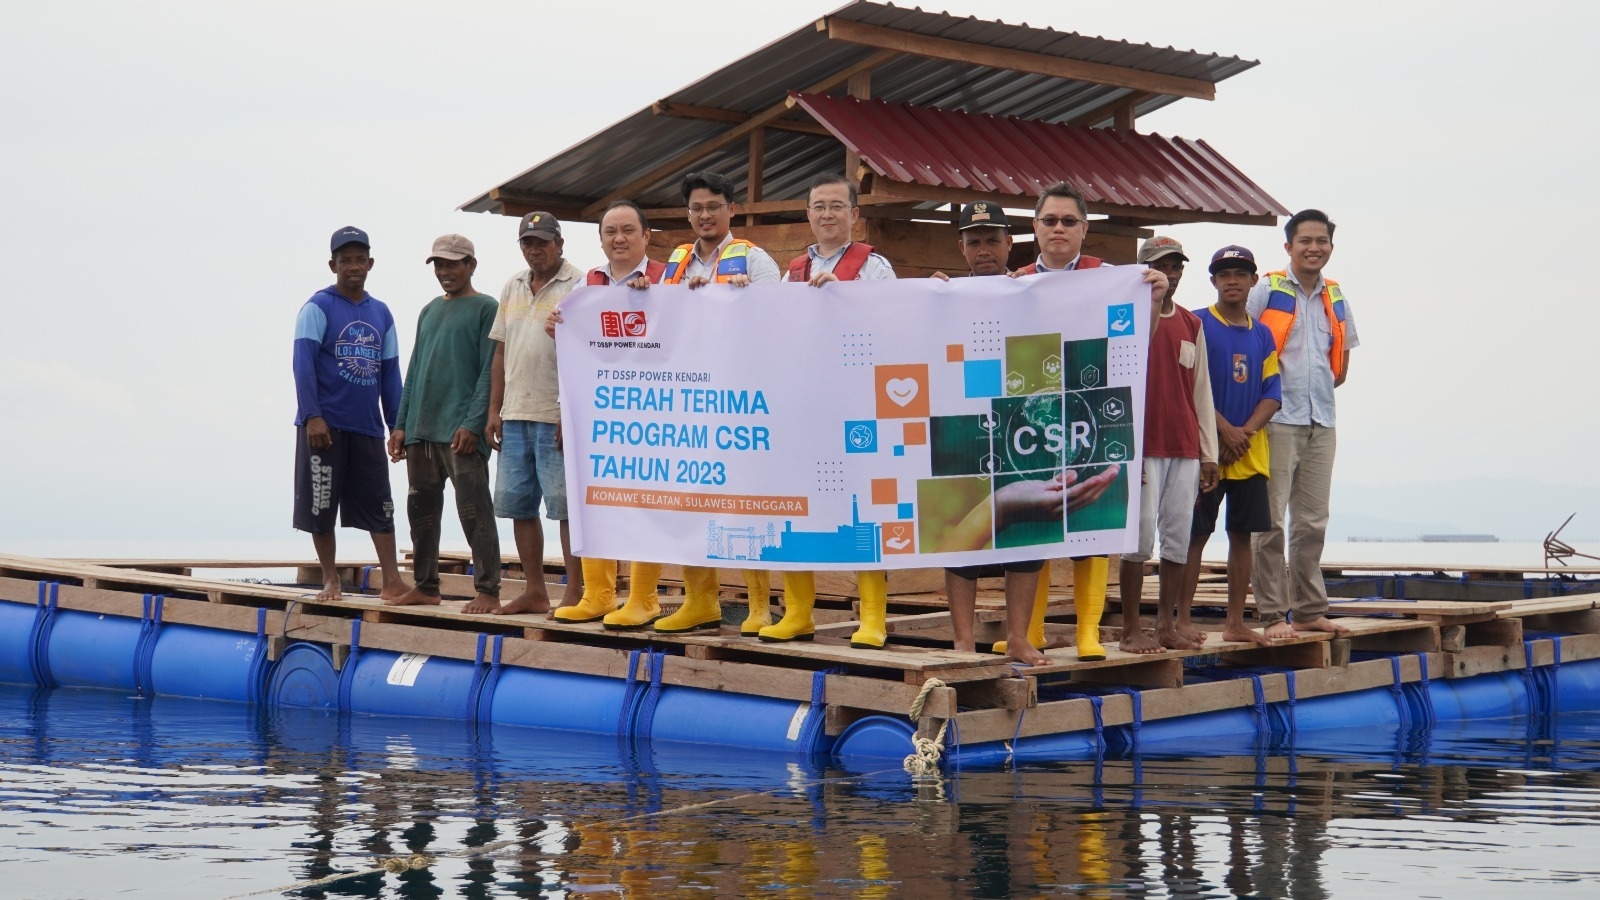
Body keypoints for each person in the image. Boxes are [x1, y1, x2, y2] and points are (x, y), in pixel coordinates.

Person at [942, 194, 1168, 666]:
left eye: (1068, 220)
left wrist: (1152, 300)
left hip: (1054, 418)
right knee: (963, 528)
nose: (1058, 227)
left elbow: (1130, 346)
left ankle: (1045, 636)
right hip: (981, 414)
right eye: (1050, 220)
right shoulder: (1005, 284)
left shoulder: (1103, 279)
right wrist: (930, 298)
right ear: (1035, 228)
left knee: (1037, 535)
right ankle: (965, 642)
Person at [768, 173, 897, 646]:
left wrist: (845, 297)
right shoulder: (792, 271)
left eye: (836, 206)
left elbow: (893, 323)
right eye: (818, 206)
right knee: (797, 507)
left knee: (866, 508)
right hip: (805, 407)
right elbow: (771, 328)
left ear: (854, 215)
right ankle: (798, 612)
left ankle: (873, 618)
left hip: (857, 403)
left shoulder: (874, 267)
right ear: (807, 214)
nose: (827, 214)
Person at [651, 173, 781, 634]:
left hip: (740, 401)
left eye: (713, 206)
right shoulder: (674, 265)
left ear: (731, 209)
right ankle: (700, 601)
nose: (705, 215)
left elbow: (782, 319)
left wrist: (747, 299)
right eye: (697, 208)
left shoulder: (755, 259)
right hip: (688, 402)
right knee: (691, 502)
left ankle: (760, 605)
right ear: (688, 214)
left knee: (745, 502)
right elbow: (655, 322)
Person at [542, 201, 679, 631]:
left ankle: (643, 598)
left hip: (655, 409)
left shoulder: (667, 278)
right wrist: (558, 326)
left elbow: (687, 333)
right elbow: (579, 343)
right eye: (610, 232)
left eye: (628, 230)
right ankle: (597, 594)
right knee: (595, 496)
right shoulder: (589, 283)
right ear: (600, 239)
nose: (619, 239)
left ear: (646, 235)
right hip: (603, 412)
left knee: (646, 501)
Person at [1247, 210, 1359, 638]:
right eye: (1305, 241)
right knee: (1270, 521)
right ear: (1289, 246)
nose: (1314, 248)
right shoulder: (1267, 289)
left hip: (1322, 419)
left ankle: (1309, 611)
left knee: (1312, 521)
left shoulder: (1336, 294)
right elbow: (1244, 340)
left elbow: (1342, 359)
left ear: (1331, 246)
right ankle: (1273, 614)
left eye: (1321, 241)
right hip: (1276, 418)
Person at [291, 226, 408, 602]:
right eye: (345, 260)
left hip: (367, 428)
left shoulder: (381, 313)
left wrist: (397, 425)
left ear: (371, 263)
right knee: (321, 505)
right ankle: (330, 580)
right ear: (333, 265)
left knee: (381, 506)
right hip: (324, 427)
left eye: (360, 260)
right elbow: (303, 364)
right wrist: (312, 416)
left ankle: (392, 581)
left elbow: (390, 374)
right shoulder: (318, 306)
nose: (353, 266)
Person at [476, 212, 584, 617]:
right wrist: (494, 410)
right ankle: (535, 590)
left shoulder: (580, 284)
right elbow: (500, 351)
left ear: (560, 243)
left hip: (556, 412)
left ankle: (575, 591)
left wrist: (570, 411)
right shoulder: (513, 285)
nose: (535, 249)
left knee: (565, 506)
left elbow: (588, 353)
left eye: (542, 242)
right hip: (515, 411)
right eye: (528, 242)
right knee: (518, 504)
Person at [385, 234, 501, 609]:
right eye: (439, 264)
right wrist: (401, 424)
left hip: (460, 432)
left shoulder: (487, 308)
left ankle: (488, 590)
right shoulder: (429, 310)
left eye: (452, 263)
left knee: (474, 510)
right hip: (422, 429)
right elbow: (415, 370)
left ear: (471, 265)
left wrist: (472, 424)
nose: (444, 271)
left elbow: (489, 372)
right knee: (420, 512)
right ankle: (425, 586)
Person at [1116, 236, 1220, 654]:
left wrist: (1208, 453)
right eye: (1161, 266)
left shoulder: (1192, 324)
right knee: (1138, 539)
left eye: (1176, 266)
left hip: (1184, 444)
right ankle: (1130, 630)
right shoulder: (1125, 318)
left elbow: (1202, 392)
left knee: (1177, 536)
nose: (1170, 274)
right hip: (1142, 445)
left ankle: (1166, 625)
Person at [1181, 246, 1281, 646]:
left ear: (1254, 280)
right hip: (1206, 451)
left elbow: (1272, 393)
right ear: (1213, 281)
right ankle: (1182, 619)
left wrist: (1245, 433)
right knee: (1195, 534)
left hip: (1250, 454)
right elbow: (1188, 385)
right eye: (1224, 274)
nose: (1232, 281)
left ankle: (1236, 622)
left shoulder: (1262, 333)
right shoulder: (1197, 323)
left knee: (1242, 535)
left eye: (1240, 274)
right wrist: (1223, 431)